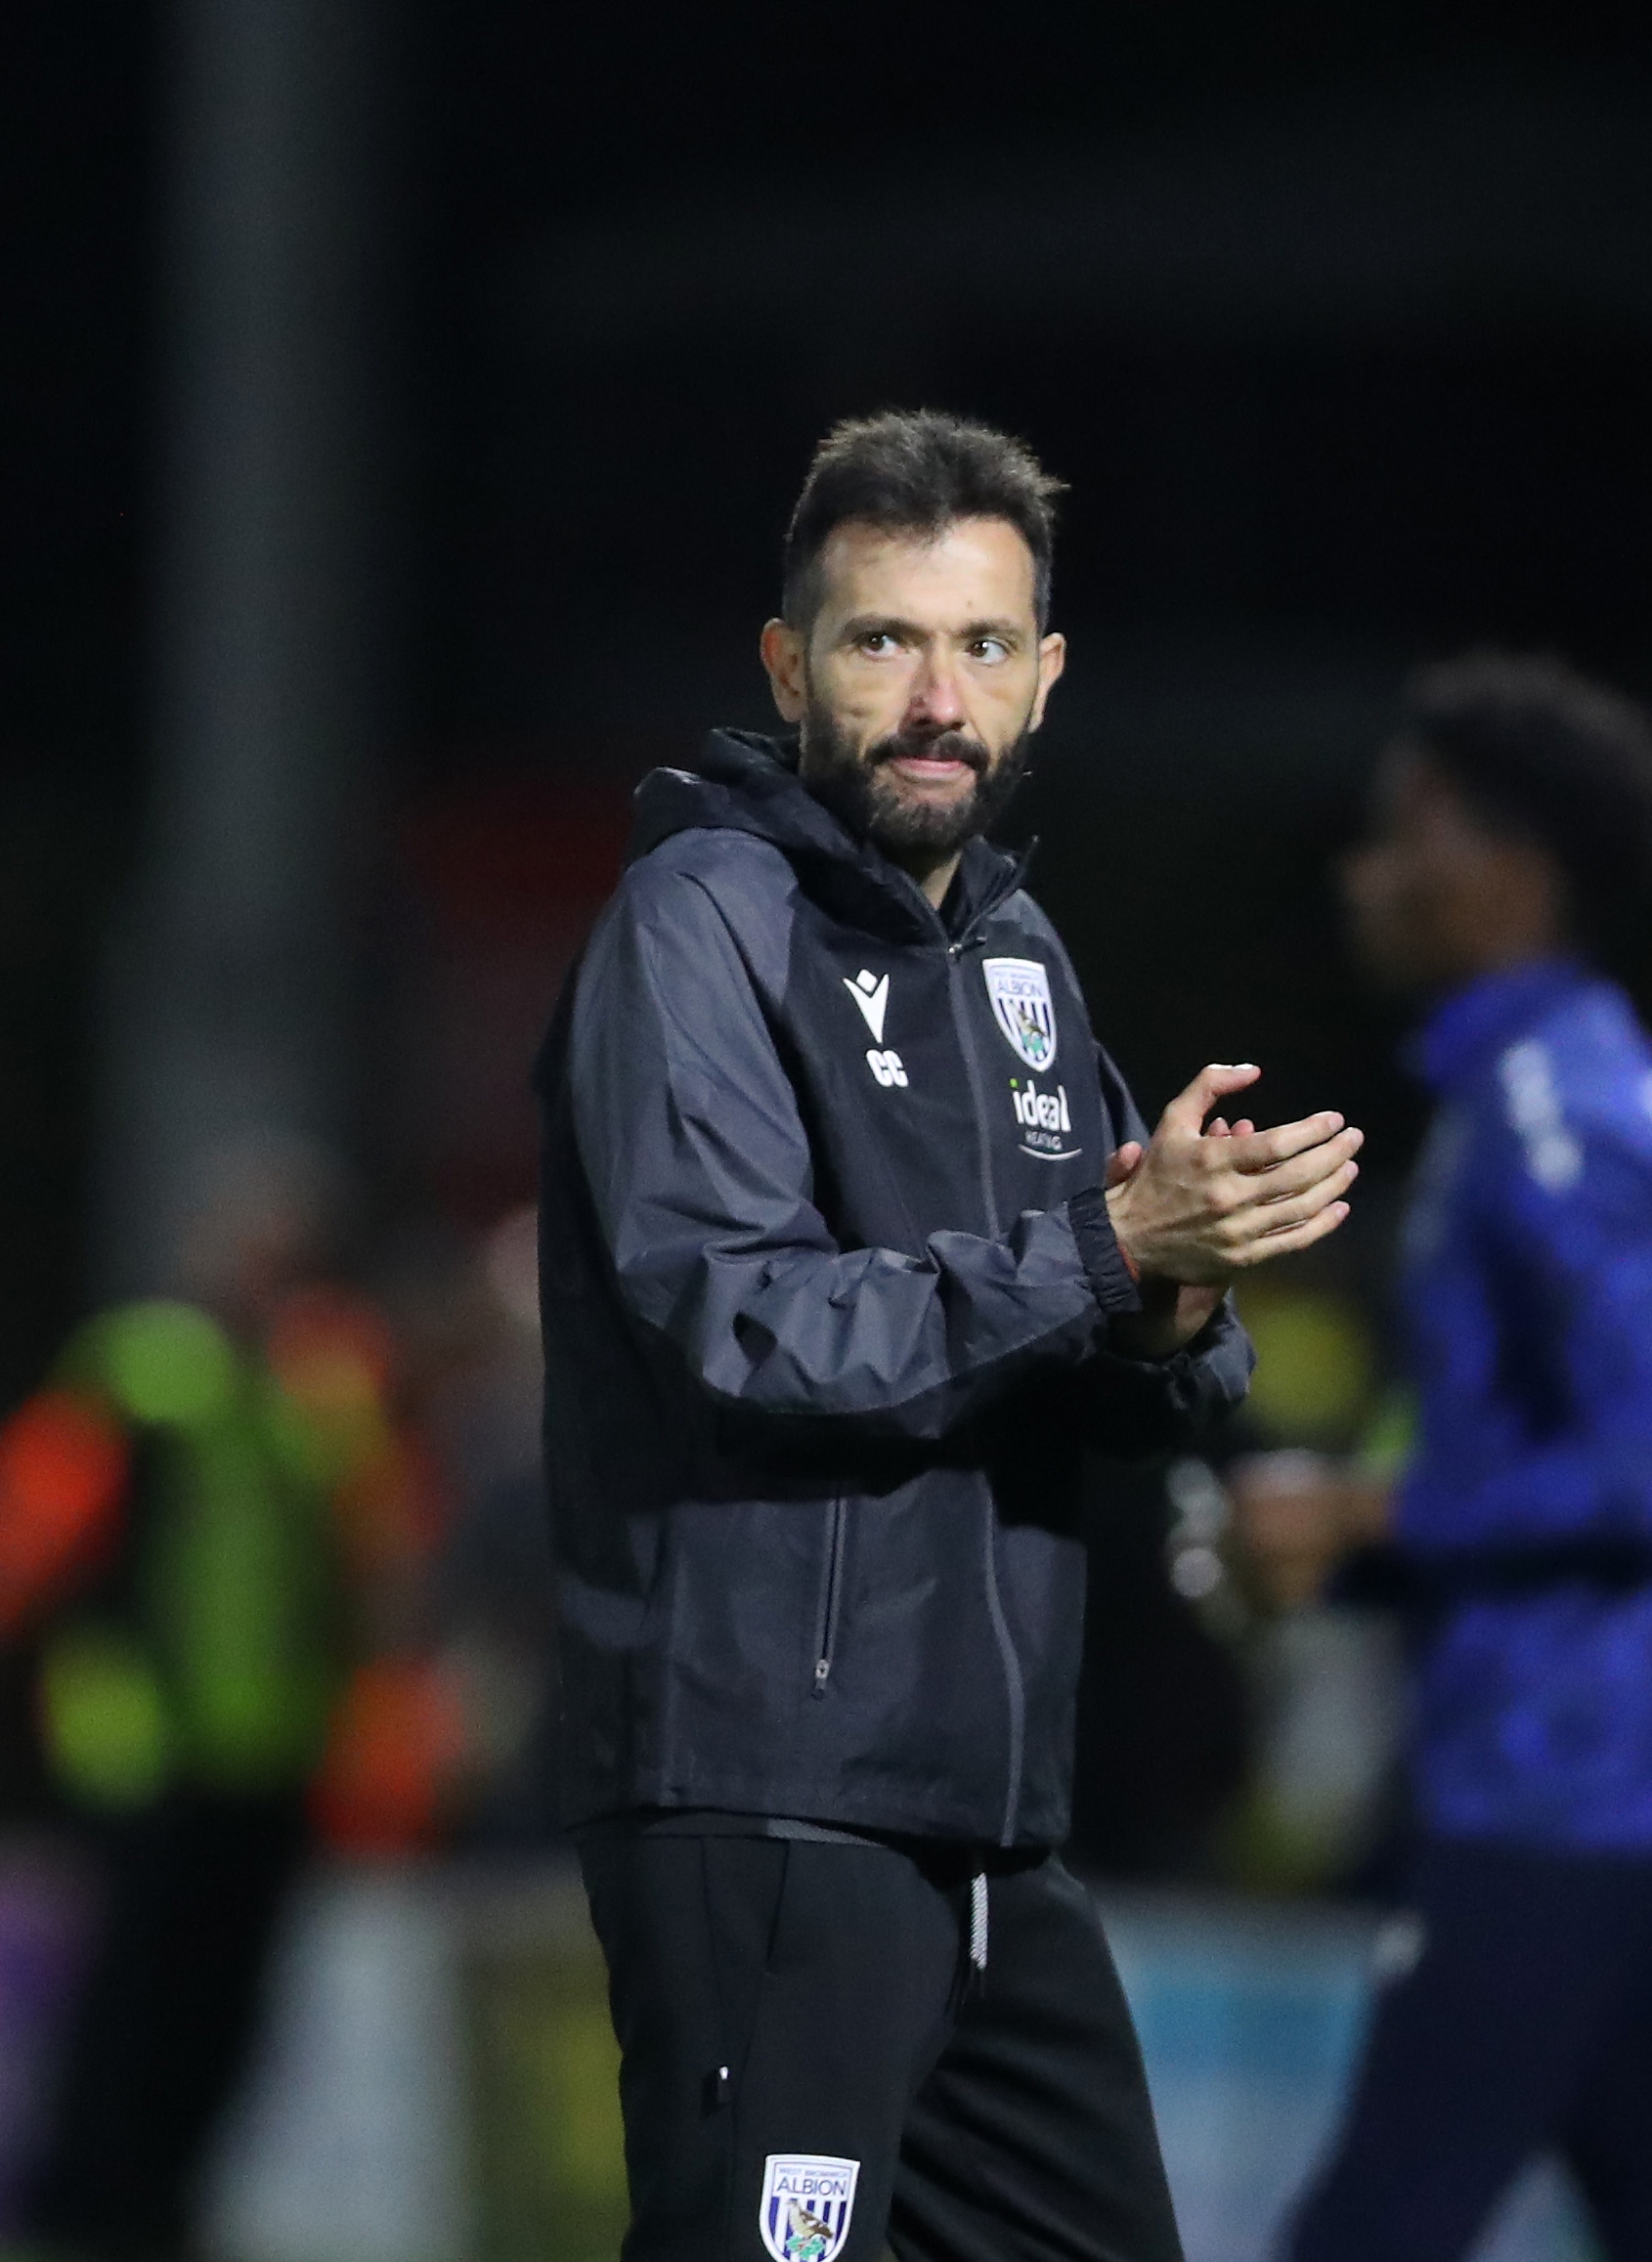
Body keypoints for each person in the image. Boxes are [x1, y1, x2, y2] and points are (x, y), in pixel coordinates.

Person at [533, 410, 1353, 2262]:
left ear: (1044, 677)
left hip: (983, 1819)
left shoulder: (1018, 958)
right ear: (784, 663)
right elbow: (741, 1322)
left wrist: (1183, 1282)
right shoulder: (697, 923)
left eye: (979, 645)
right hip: (767, 1799)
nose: (932, 695)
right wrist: (1103, 1249)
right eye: (880, 640)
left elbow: (1128, 1334)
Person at [1287, 654, 1652, 2262]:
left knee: (1372, 2225)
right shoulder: (1519, 1092)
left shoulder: (1563, 1109)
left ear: (1504, 870)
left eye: (1402, 829)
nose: (1362, 868)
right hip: (1610, 1760)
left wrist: (1370, 1508)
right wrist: (1358, 1537)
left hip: (1571, 1772)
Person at [0, 1138, 423, 2262]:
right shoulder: (144, 1373)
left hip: (274, 1748)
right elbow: (29, 1520)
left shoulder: (325, 1389)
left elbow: (379, 1555)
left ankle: (167, 2203)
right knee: (128, 2000)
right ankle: (80, 2202)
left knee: (227, 2006)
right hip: (144, 1742)